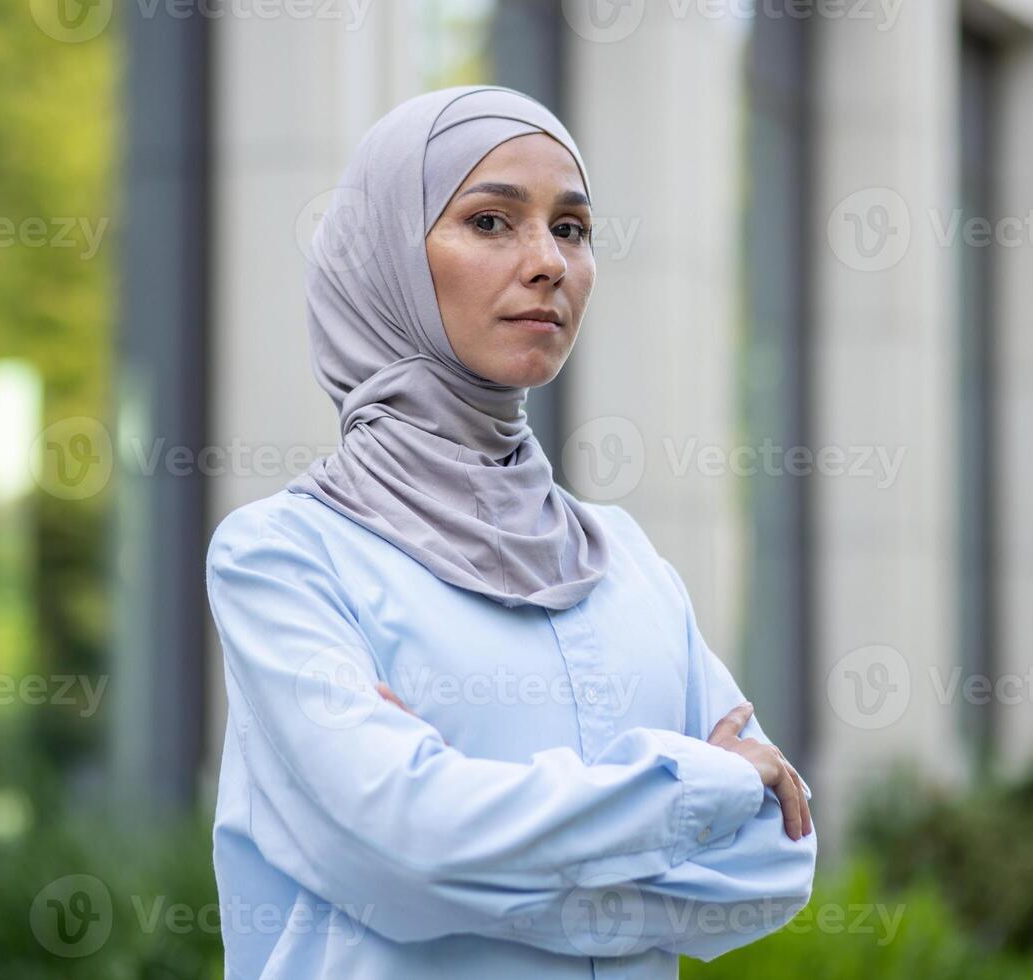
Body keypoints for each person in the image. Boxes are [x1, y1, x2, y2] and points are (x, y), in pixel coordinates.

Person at [204, 84, 816, 979]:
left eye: (570, 229)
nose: (548, 264)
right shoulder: (287, 557)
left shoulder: (625, 561)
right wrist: (706, 788)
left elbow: (776, 859)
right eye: (491, 222)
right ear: (386, 260)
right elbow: (416, 838)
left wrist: (472, 872)